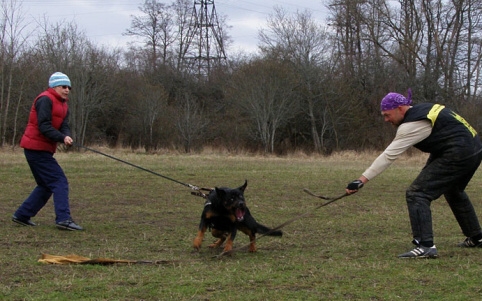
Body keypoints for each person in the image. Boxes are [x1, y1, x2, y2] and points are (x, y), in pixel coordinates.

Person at [346, 89, 482, 258]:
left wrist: (361, 180)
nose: (386, 119)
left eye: (387, 115)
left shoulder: (412, 125)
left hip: (458, 151)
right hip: (474, 147)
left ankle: (425, 246)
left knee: (417, 193)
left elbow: (389, 155)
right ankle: (476, 237)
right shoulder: (424, 110)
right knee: (454, 190)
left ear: (401, 109)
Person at [12, 72, 83, 231]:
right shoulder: (45, 99)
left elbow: (63, 124)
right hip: (35, 148)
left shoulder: (63, 104)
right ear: (54, 87)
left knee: (45, 185)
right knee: (59, 181)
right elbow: (44, 126)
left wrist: (66, 136)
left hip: (42, 149)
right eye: (63, 87)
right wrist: (61, 138)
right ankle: (63, 219)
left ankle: (22, 215)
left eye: (68, 87)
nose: (67, 90)